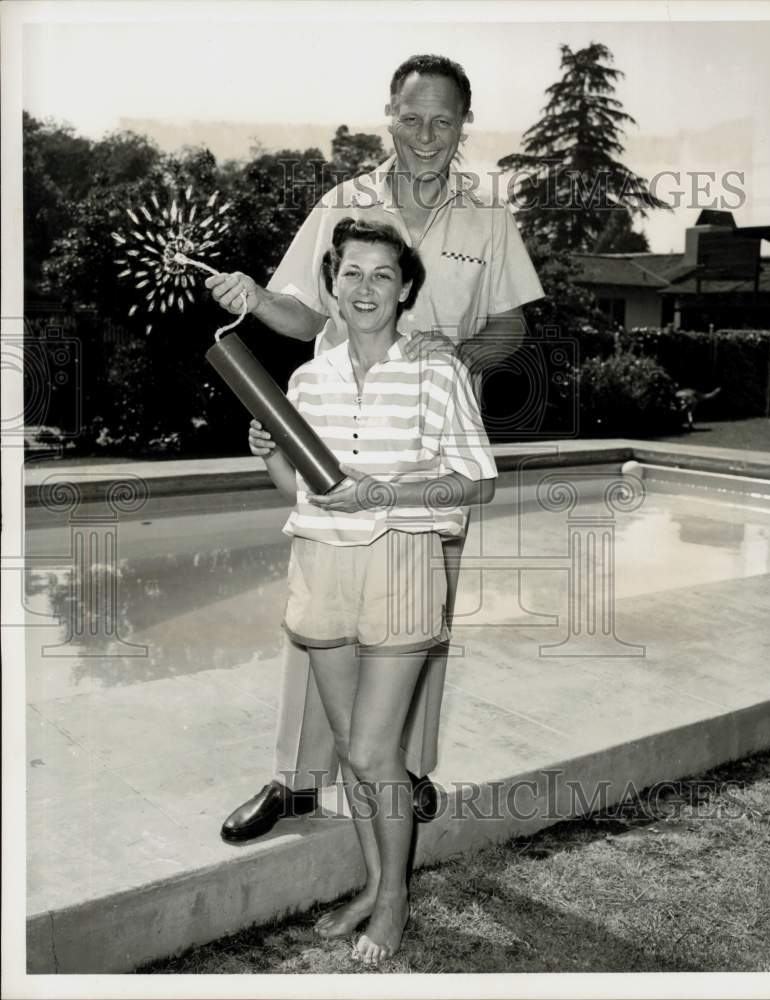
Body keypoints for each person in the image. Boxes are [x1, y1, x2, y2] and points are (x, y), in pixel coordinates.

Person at [207, 54, 544, 842]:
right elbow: (299, 311)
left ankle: (406, 769)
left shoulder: (489, 218)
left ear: (465, 125)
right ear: (387, 115)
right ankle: (295, 781)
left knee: (424, 616)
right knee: (318, 612)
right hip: (341, 436)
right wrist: (256, 298)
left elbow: (513, 322)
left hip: (433, 445)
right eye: (412, 117)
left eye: (444, 121)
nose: (426, 136)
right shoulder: (339, 203)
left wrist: (457, 360)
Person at [252, 218, 496, 962]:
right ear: (331, 284)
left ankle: (393, 900)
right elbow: (297, 491)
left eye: (383, 275)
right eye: (352, 273)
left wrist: (386, 495)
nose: (365, 288)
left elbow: (478, 478)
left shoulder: (436, 372)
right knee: (357, 756)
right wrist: (266, 451)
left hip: (400, 564)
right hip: (322, 567)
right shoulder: (304, 381)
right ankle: (372, 882)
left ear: (407, 290)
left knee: (371, 748)